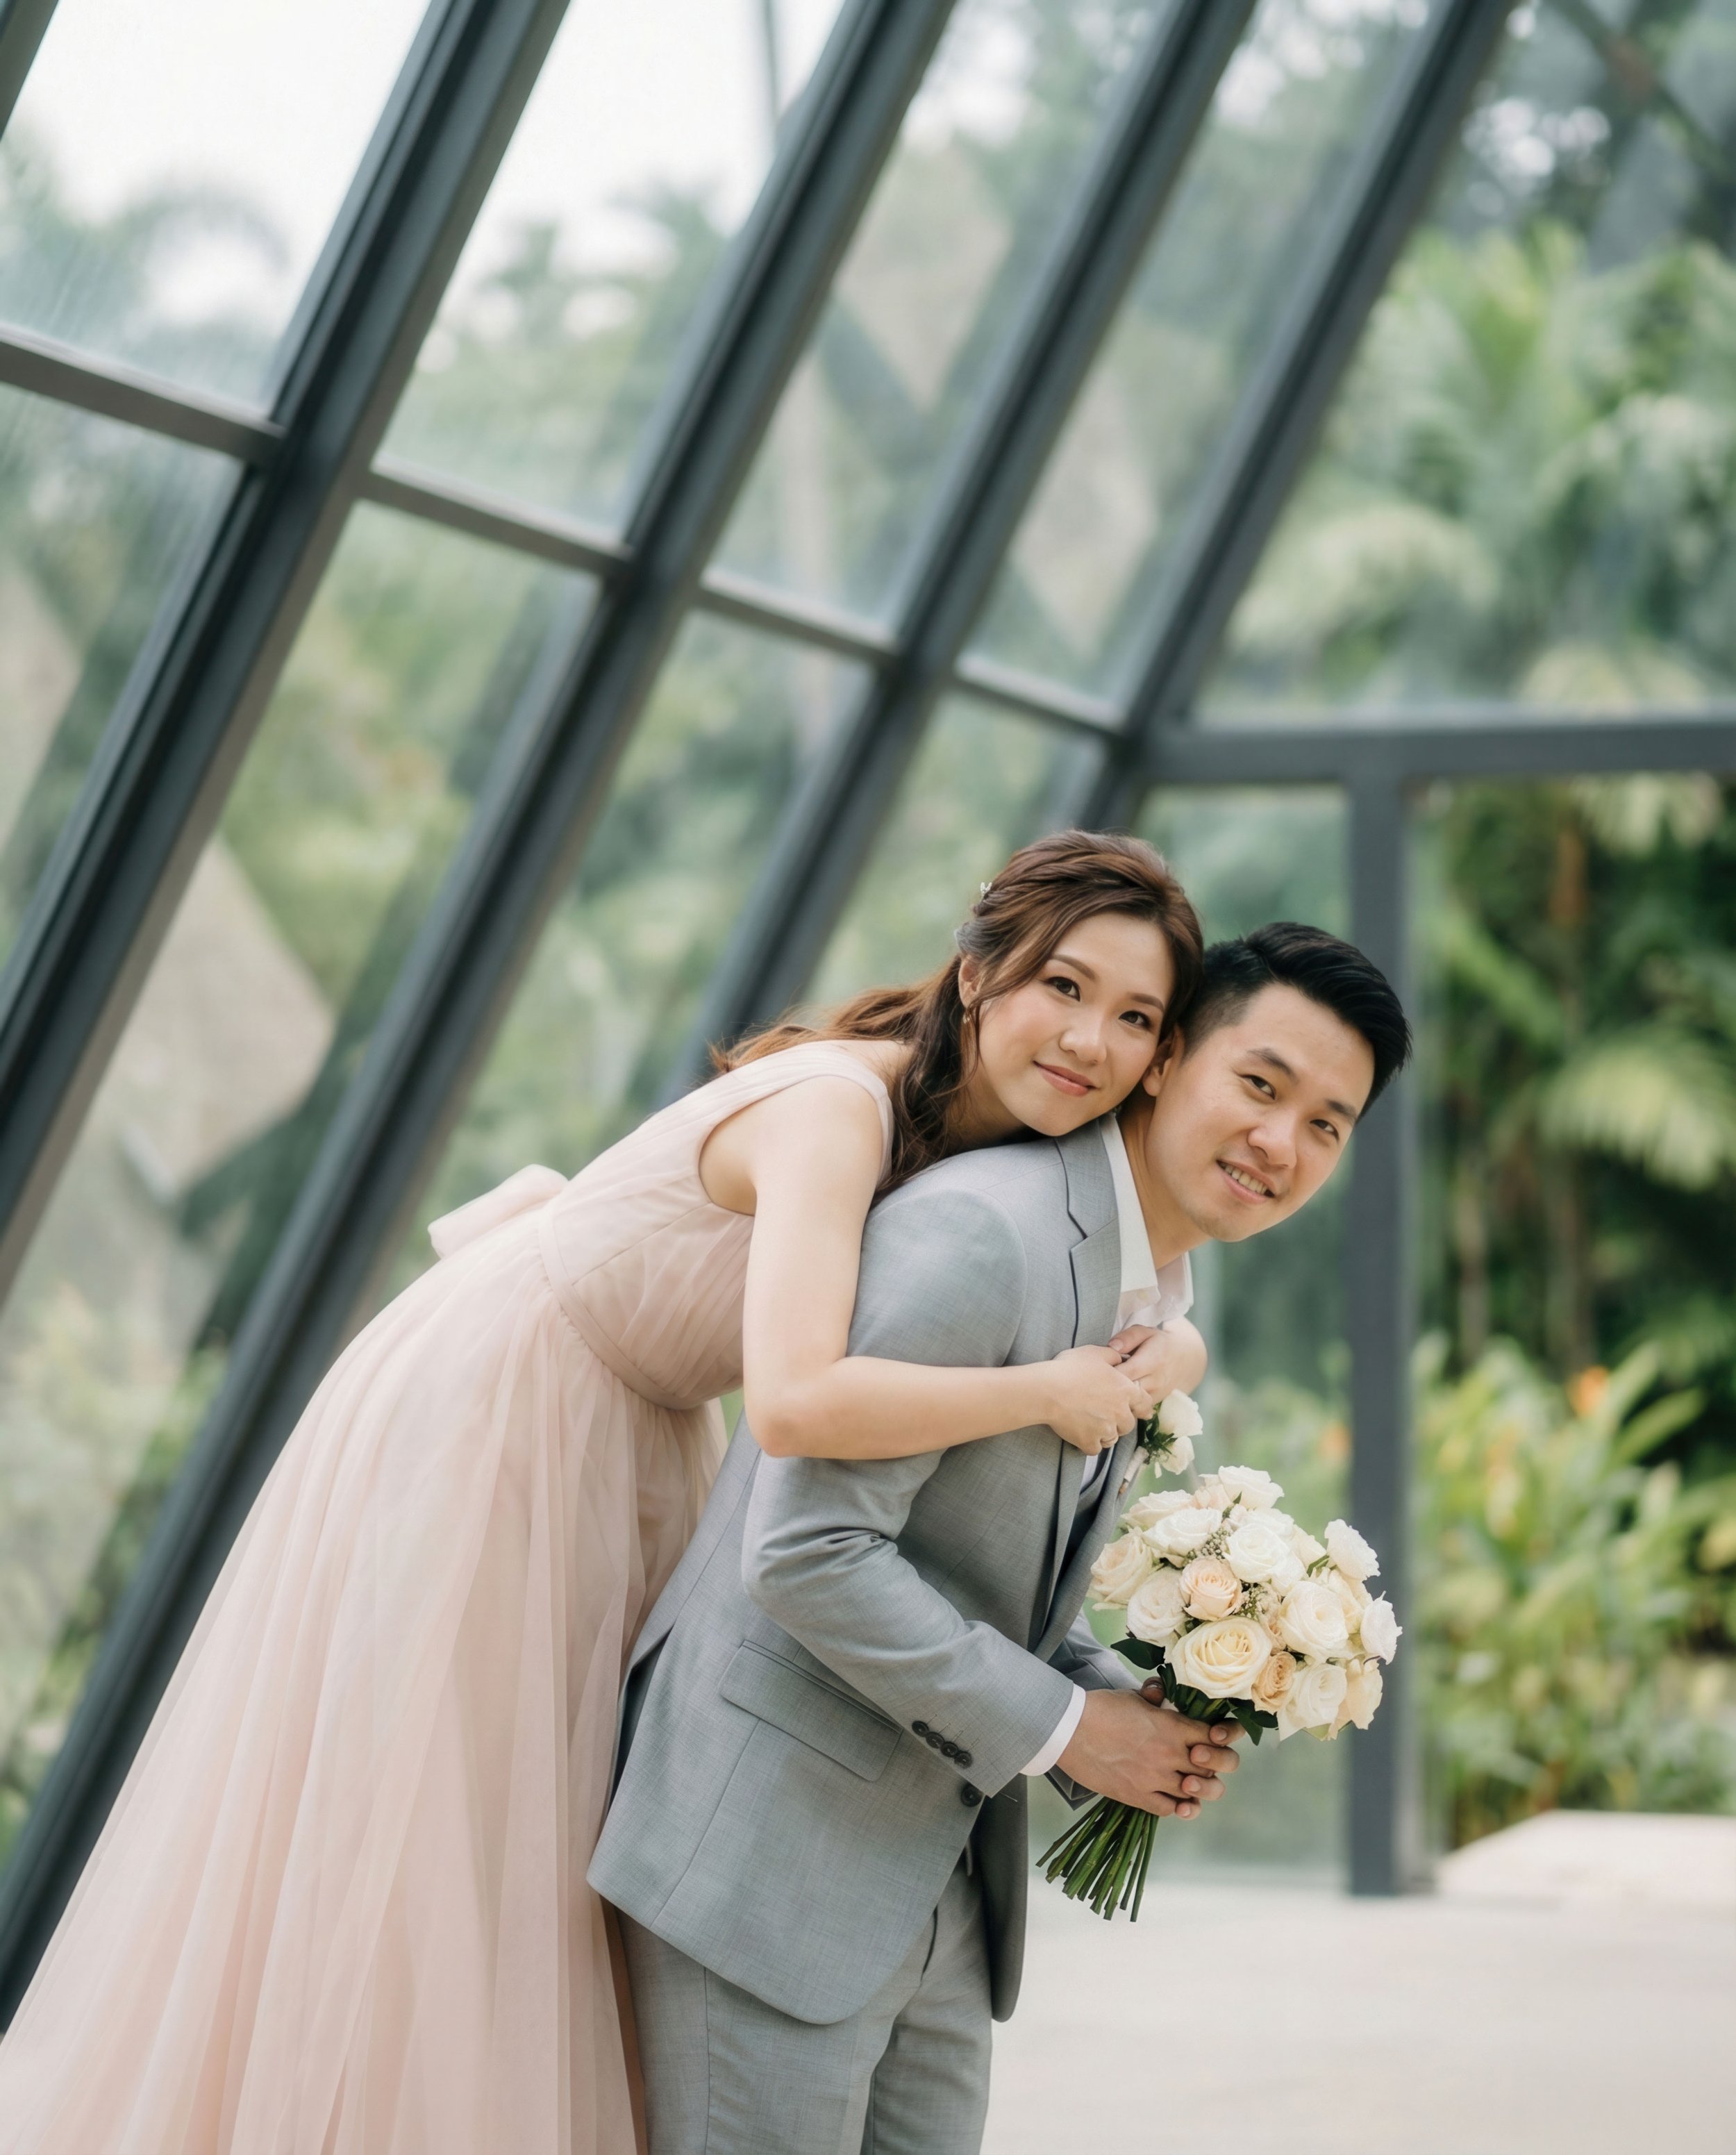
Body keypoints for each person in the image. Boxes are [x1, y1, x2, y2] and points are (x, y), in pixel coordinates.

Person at [0, 833, 1207, 2155]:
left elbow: (1136, 1283)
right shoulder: (840, 1112)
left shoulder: (988, 1156)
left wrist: (1173, 1350)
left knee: (546, 1857)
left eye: (1136, 1017)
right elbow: (797, 1403)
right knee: (438, 1845)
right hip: (507, 1402)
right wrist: (1043, 1390)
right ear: (979, 977)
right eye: (1063, 986)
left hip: (635, 1426)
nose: (1090, 1039)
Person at [590, 921, 1413, 2155]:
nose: (1279, 1145)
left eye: (1327, 1125)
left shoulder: (1151, 1290)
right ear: (1166, 1056)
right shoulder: (985, 1230)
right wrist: (1075, 1732)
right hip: (767, 1861)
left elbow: (969, 1564)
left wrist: (1124, 1702)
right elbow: (808, 1551)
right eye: (1260, 1085)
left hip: (939, 1877)